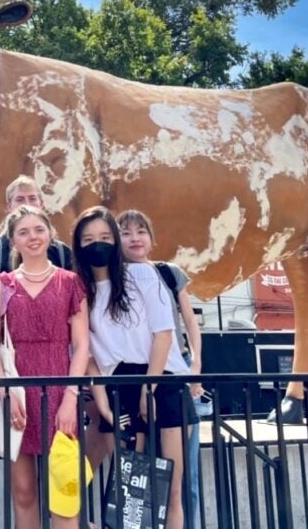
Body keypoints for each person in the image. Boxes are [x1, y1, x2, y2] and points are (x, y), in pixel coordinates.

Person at [73, 206, 194, 529]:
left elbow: (163, 334)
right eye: (88, 239)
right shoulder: (79, 289)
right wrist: (102, 403)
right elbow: (89, 355)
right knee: (134, 492)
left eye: (104, 237)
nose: (97, 244)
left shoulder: (141, 274)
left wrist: (148, 388)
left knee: (171, 488)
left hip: (162, 380)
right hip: (117, 387)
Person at [0, 204, 90, 529]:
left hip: (60, 390)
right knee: (24, 492)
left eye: (38, 230)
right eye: (23, 232)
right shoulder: (2, 284)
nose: (32, 237)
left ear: (50, 234)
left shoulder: (70, 282)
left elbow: (82, 344)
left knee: (63, 491)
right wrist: (5, 391)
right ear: (13, 241)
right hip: (16, 391)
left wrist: (71, 398)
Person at [119, 209, 205, 528]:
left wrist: (195, 364)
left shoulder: (168, 273)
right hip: (135, 372)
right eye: (126, 232)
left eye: (141, 231)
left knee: (183, 475)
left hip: (175, 370)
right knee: (139, 473)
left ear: (152, 239)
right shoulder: (114, 278)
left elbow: (189, 321)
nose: (134, 238)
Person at [0, 176, 72, 292]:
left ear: (41, 204)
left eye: (32, 198)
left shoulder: (62, 253)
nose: (27, 204)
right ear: (9, 207)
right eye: (20, 199)